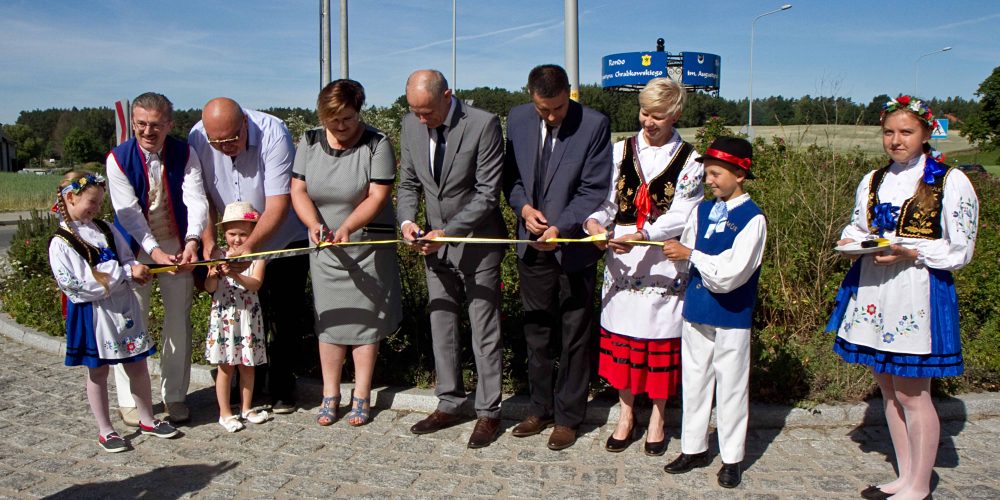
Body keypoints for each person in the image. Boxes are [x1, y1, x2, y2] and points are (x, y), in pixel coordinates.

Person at [825, 96, 978, 500]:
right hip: (876, 289)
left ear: (926, 133)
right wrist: (853, 242)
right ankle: (904, 476)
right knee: (889, 389)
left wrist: (911, 251)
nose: (896, 140)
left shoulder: (949, 181)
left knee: (913, 391)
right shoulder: (874, 179)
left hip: (917, 290)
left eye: (906, 132)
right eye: (889, 132)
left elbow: (961, 249)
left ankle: (919, 485)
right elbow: (859, 227)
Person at [583, 77, 703, 456]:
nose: (648, 122)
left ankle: (658, 417)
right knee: (625, 337)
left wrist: (644, 232)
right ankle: (626, 414)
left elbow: (683, 213)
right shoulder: (619, 151)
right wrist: (595, 223)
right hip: (622, 259)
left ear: (675, 115)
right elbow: (606, 199)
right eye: (644, 113)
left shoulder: (691, 160)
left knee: (658, 341)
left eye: (658, 116)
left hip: (662, 262)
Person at [503, 64, 612, 451]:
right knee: (537, 333)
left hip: (574, 249)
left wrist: (560, 228)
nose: (551, 117)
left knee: (574, 335)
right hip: (531, 247)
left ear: (569, 94)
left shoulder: (594, 125)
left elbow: (593, 189)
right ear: (531, 97)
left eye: (558, 109)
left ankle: (568, 417)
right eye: (543, 110)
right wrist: (523, 208)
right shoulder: (517, 119)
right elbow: (511, 178)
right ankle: (540, 408)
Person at [396, 69, 506, 448]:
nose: (421, 119)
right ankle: (449, 402)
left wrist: (448, 232)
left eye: (427, 112)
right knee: (441, 325)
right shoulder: (410, 125)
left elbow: (487, 193)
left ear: (448, 95)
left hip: (478, 244)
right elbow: (408, 183)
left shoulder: (483, 124)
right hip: (432, 245)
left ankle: (489, 411)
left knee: (484, 330)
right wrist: (408, 222)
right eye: (415, 111)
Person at [290, 79, 402, 427]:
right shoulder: (309, 141)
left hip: (365, 245)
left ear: (359, 112)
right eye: (332, 120)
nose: (340, 126)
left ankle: (362, 394)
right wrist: (312, 223)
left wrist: (348, 227)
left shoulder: (377, 143)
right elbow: (298, 190)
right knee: (331, 320)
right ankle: (330, 393)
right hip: (325, 246)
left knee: (364, 322)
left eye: (347, 119)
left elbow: (378, 196)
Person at [189, 98, 310, 414]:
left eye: (232, 139)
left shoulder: (273, 131)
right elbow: (203, 199)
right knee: (240, 316)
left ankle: (282, 386)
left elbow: (279, 201)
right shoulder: (197, 137)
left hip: (283, 238)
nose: (225, 147)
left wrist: (251, 247)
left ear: (245, 122)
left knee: (283, 316)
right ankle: (245, 384)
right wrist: (209, 244)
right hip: (235, 242)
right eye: (217, 142)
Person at [661, 137, 766, 488]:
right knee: (694, 379)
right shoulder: (702, 211)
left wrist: (691, 255)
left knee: (731, 385)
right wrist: (677, 254)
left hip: (731, 313)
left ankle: (732, 457)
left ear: (740, 174)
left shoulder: (753, 219)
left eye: (716, 174)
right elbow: (686, 256)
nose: (709, 180)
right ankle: (693, 447)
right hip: (697, 308)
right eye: (707, 173)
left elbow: (732, 273)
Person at [49, 171, 179, 452]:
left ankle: (147, 419)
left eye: (99, 202)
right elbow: (79, 286)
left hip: (122, 308)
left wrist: (135, 270)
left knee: (137, 365)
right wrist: (124, 273)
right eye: (91, 202)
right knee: (98, 372)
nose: (96, 208)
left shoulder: (105, 228)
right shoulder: (61, 242)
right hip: (94, 314)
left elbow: (126, 258)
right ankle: (106, 430)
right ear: (70, 198)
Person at [106, 92, 209, 425]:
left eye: (155, 125)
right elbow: (129, 214)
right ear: (133, 122)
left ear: (169, 124)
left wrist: (192, 240)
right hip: (135, 249)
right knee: (131, 321)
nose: (148, 131)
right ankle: (130, 400)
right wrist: (153, 251)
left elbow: (196, 199)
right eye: (141, 124)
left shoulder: (186, 153)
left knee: (178, 321)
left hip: (177, 244)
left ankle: (175, 396)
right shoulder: (117, 159)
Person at [205, 201, 271, 433]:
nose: (237, 239)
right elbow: (209, 287)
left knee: (247, 366)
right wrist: (214, 273)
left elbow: (255, 284)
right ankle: (225, 413)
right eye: (232, 234)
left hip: (247, 318)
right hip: (225, 318)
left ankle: (246, 408)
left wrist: (235, 273)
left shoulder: (258, 256)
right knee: (226, 367)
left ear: (253, 233)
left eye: (243, 234)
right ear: (224, 233)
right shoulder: (218, 255)